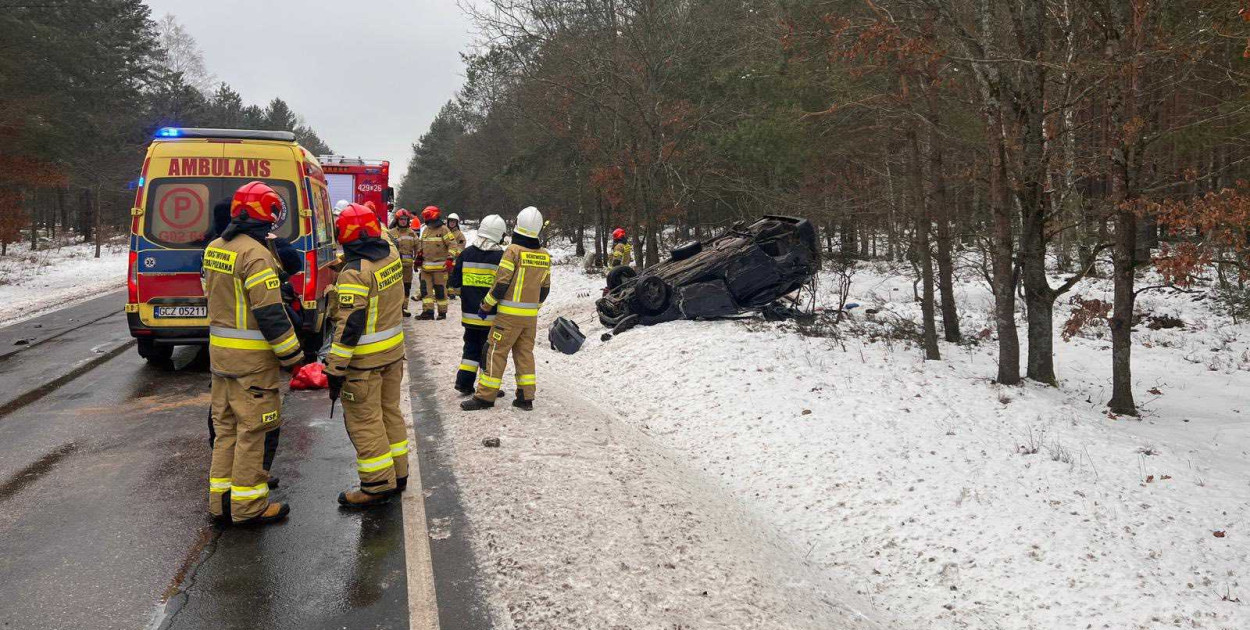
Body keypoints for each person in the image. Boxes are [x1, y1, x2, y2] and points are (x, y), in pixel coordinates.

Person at [202, 181, 302, 526]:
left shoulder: (216, 247)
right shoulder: (256, 255)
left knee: (226, 430)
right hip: (252, 363)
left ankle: (220, 504)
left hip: (221, 358)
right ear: (267, 215)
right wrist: (294, 359)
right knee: (253, 432)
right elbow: (270, 314)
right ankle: (248, 508)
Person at [325, 204, 410, 507]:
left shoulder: (354, 274)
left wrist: (335, 368)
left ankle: (375, 485)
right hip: (392, 354)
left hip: (364, 364)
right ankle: (398, 474)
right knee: (390, 413)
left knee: (365, 421)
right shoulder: (390, 256)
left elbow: (350, 326)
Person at [461, 206, 550, 412]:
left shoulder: (513, 251)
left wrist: (486, 305)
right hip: (530, 319)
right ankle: (525, 398)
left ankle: (485, 397)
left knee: (495, 352)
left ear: (518, 226)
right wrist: (533, 307)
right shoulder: (544, 255)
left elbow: (501, 284)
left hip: (508, 318)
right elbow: (545, 289)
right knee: (524, 354)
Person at [447, 215, 506, 394]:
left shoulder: (466, 253)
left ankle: (464, 383)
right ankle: (486, 387)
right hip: (491, 315)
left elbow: (454, 282)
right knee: (488, 352)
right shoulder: (501, 258)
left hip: (469, 315)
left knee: (471, 348)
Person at [415, 206, 457, 320]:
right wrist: (418, 258)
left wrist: (450, 258)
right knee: (425, 291)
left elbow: (453, 245)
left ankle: (442, 313)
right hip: (425, 268)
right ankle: (428, 312)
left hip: (440, 268)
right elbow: (421, 245)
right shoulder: (425, 230)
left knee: (440, 291)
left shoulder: (444, 230)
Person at [390, 209, 420, 317]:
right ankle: (394, 310)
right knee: (394, 288)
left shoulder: (412, 234)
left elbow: (418, 248)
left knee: (406, 287)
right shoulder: (391, 233)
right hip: (394, 267)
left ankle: (403, 308)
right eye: (401, 219)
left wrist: (418, 260)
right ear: (397, 220)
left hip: (407, 267)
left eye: (405, 219)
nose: (403, 221)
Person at [446, 213, 466, 299]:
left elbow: (461, 246)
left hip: (453, 259)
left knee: (451, 273)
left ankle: (451, 290)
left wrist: (454, 254)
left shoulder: (459, 234)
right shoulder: (444, 231)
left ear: (457, 223)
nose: (452, 223)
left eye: (454, 222)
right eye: (450, 221)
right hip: (443, 257)